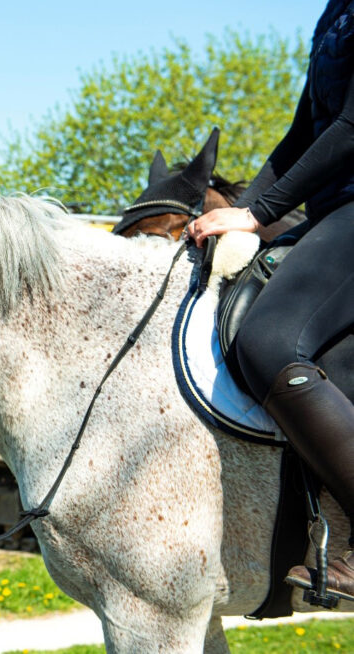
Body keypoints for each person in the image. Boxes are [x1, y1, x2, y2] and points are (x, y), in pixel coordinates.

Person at [187, 0, 354, 601]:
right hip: (332, 210)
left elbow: (353, 126)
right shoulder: (336, 11)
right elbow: (306, 130)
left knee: (268, 342)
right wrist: (246, 216)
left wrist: (259, 209)